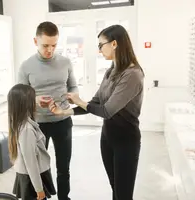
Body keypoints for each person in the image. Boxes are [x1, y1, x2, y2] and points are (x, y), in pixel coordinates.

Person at [49, 24, 144, 200]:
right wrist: (64, 112)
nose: (99, 50)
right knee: (115, 187)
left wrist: (79, 101)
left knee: (123, 194)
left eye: (101, 45)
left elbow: (107, 111)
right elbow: (94, 103)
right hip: (108, 138)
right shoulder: (111, 71)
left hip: (126, 141)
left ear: (114, 43)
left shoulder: (132, 75)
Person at [18, 21, 78, 200]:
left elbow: (73, 87)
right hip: (37, 126)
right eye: (45, 45)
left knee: (63, 167)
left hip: (63, 122)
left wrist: (70, 97)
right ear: (35, 41)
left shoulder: (66, 62)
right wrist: (34, 100)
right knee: (36, 167)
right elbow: (19, 97)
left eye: (54, 45)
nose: (50, 50)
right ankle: (41, 196)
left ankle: (64, 198)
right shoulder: (26, 66)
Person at [8, 84, 56, 200]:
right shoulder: (27, 129)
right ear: (26, 104)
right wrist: (39, 189)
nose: (36, 102)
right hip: (32, 179)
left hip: (30, 178)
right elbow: (31, 163)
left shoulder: (20, 123)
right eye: (33, 99)